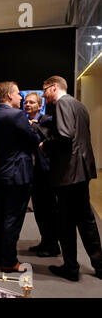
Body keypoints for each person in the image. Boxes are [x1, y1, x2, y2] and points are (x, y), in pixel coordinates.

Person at [40, 75, 102, 281]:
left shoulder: (62, 104)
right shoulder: (80, 105)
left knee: (66, 222)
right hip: (81, 170)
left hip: (68, 172)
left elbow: (65, 136)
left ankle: (71, 268)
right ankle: (99, 265)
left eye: (45, 90)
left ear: (55, 87)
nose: (43, 95)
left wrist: (45, 145)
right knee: (86, 220)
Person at [0, 81, 39, 272]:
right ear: (9, 95)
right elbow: (34, 140)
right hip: (18, 177)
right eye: (18, 94)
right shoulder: (17, 115)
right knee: (12, 220)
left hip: (0, 175)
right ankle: (9, 261)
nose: (21, 97)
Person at [23, 92, 60, 257]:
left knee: (49, 211)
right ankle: (45, 242)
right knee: (39, 210)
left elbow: (48, 140)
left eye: (32, 102)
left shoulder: (47, 121)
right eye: (26, 102)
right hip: (33, 173)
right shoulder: (24, 121)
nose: (27, 105)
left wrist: (32, 126)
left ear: (40, 105)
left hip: (46, 173)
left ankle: (52, 246)